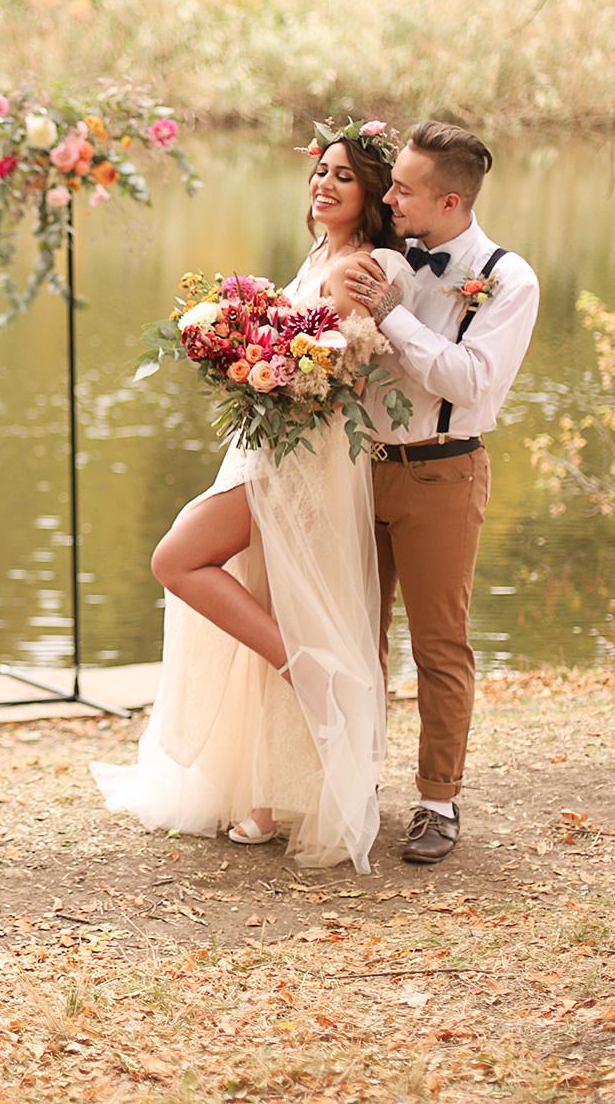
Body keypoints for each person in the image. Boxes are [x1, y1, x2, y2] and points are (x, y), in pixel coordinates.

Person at [93, 121, 416, 873]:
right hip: (273, 444)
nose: (324, 183)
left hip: (302, 459)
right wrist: (238, 348)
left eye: (343, 175)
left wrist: (274, 362)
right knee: (266, 591)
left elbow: (344, 363)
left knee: (178, 559)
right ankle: (269, 797)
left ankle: (306, 668)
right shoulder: (325, 253)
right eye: (321, 171)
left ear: (373, 193)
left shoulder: (363, 265)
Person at [341, 120, 540, 866]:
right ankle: (351, 783)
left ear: (450, 201)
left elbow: (469, 379)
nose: (388, 197)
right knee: (351, 635)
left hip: (442, 474)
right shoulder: (381, 253)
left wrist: (390, 315)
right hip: (356, 468)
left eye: (403, 189)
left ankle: (436, 801)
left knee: (438, 645)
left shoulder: (509, 280)